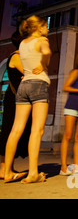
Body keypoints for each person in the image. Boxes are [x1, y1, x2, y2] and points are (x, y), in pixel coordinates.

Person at [3, 15, 51, 183]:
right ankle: (33, 173)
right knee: (37, 130)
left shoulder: (23, 44)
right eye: (46, 26)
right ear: (38, 28)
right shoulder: (42, 40)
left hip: (24, 86)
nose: (48, 29)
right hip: (39, 84)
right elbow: (47, 52)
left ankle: (7, 172)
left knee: (16, 130)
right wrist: (43, 64)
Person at [0, 32, 31, 179]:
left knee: (12, 130)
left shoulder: (20, 57)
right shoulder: (16, 56)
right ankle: (4, 169)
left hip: (17, 97)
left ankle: (9, 167)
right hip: (14, 98)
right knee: (10, 130)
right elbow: (31, 73)